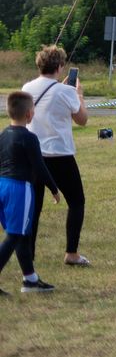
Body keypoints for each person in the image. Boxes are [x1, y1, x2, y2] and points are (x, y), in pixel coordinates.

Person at [23, 44, 90, 267]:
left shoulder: (27, 87)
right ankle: (71, 253)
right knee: (77, 201)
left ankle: (29, 255)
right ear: (60, 67)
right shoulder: (67, 91)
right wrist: (79, 94)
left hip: (32, 155)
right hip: (59, 155)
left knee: (34, 207)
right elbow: (82, 120)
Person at [0, 92, 60, 294]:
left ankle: (30, 279)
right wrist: (53, 188)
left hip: (2, 185)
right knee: (15, 235)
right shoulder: (29, 138)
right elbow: (40, 167)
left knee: (23, 233)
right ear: (29, 114)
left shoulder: (3, 134)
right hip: (19, 189)